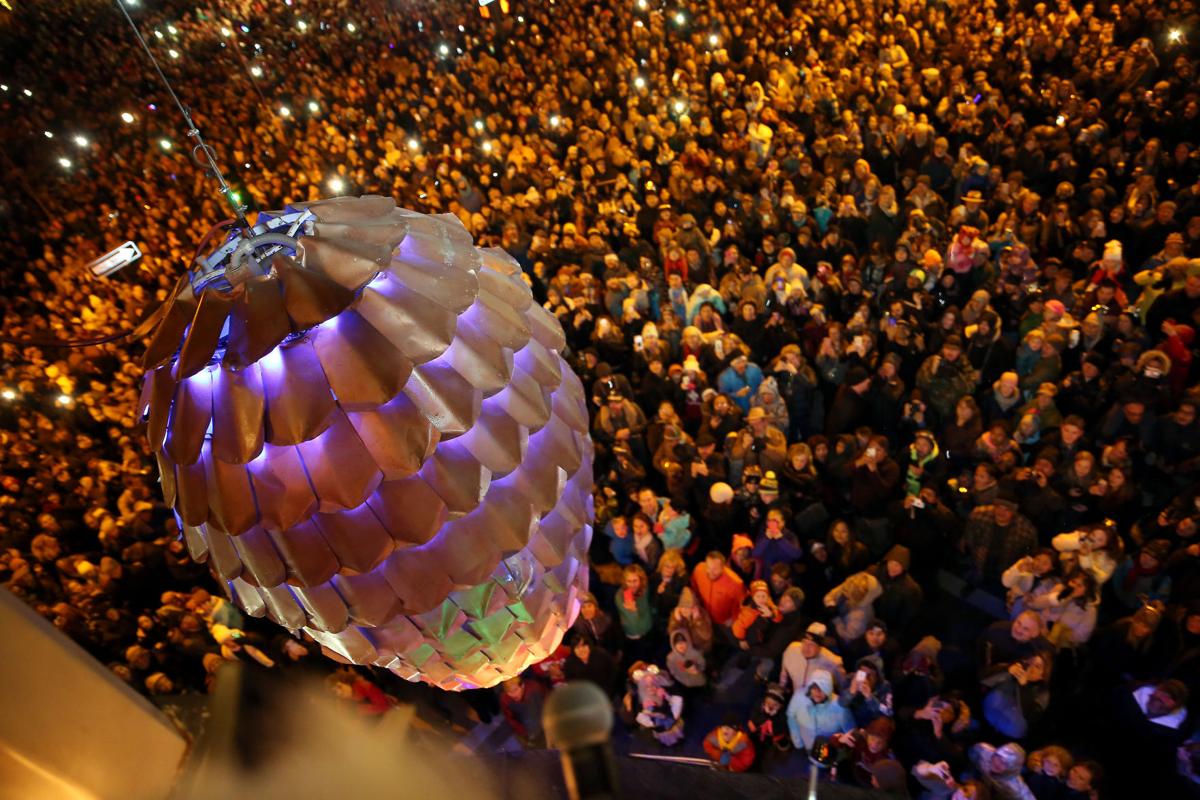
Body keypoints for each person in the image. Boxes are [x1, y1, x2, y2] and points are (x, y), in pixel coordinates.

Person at [787, 668, 856, 752]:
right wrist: (798, 742)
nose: (818, 691)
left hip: (830, 753)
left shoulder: (839, 706)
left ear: (829, 688)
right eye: (814, 687)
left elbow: (851, 732)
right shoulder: (799, 698)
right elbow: (791, 717)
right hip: (807, 748)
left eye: (823, 687)